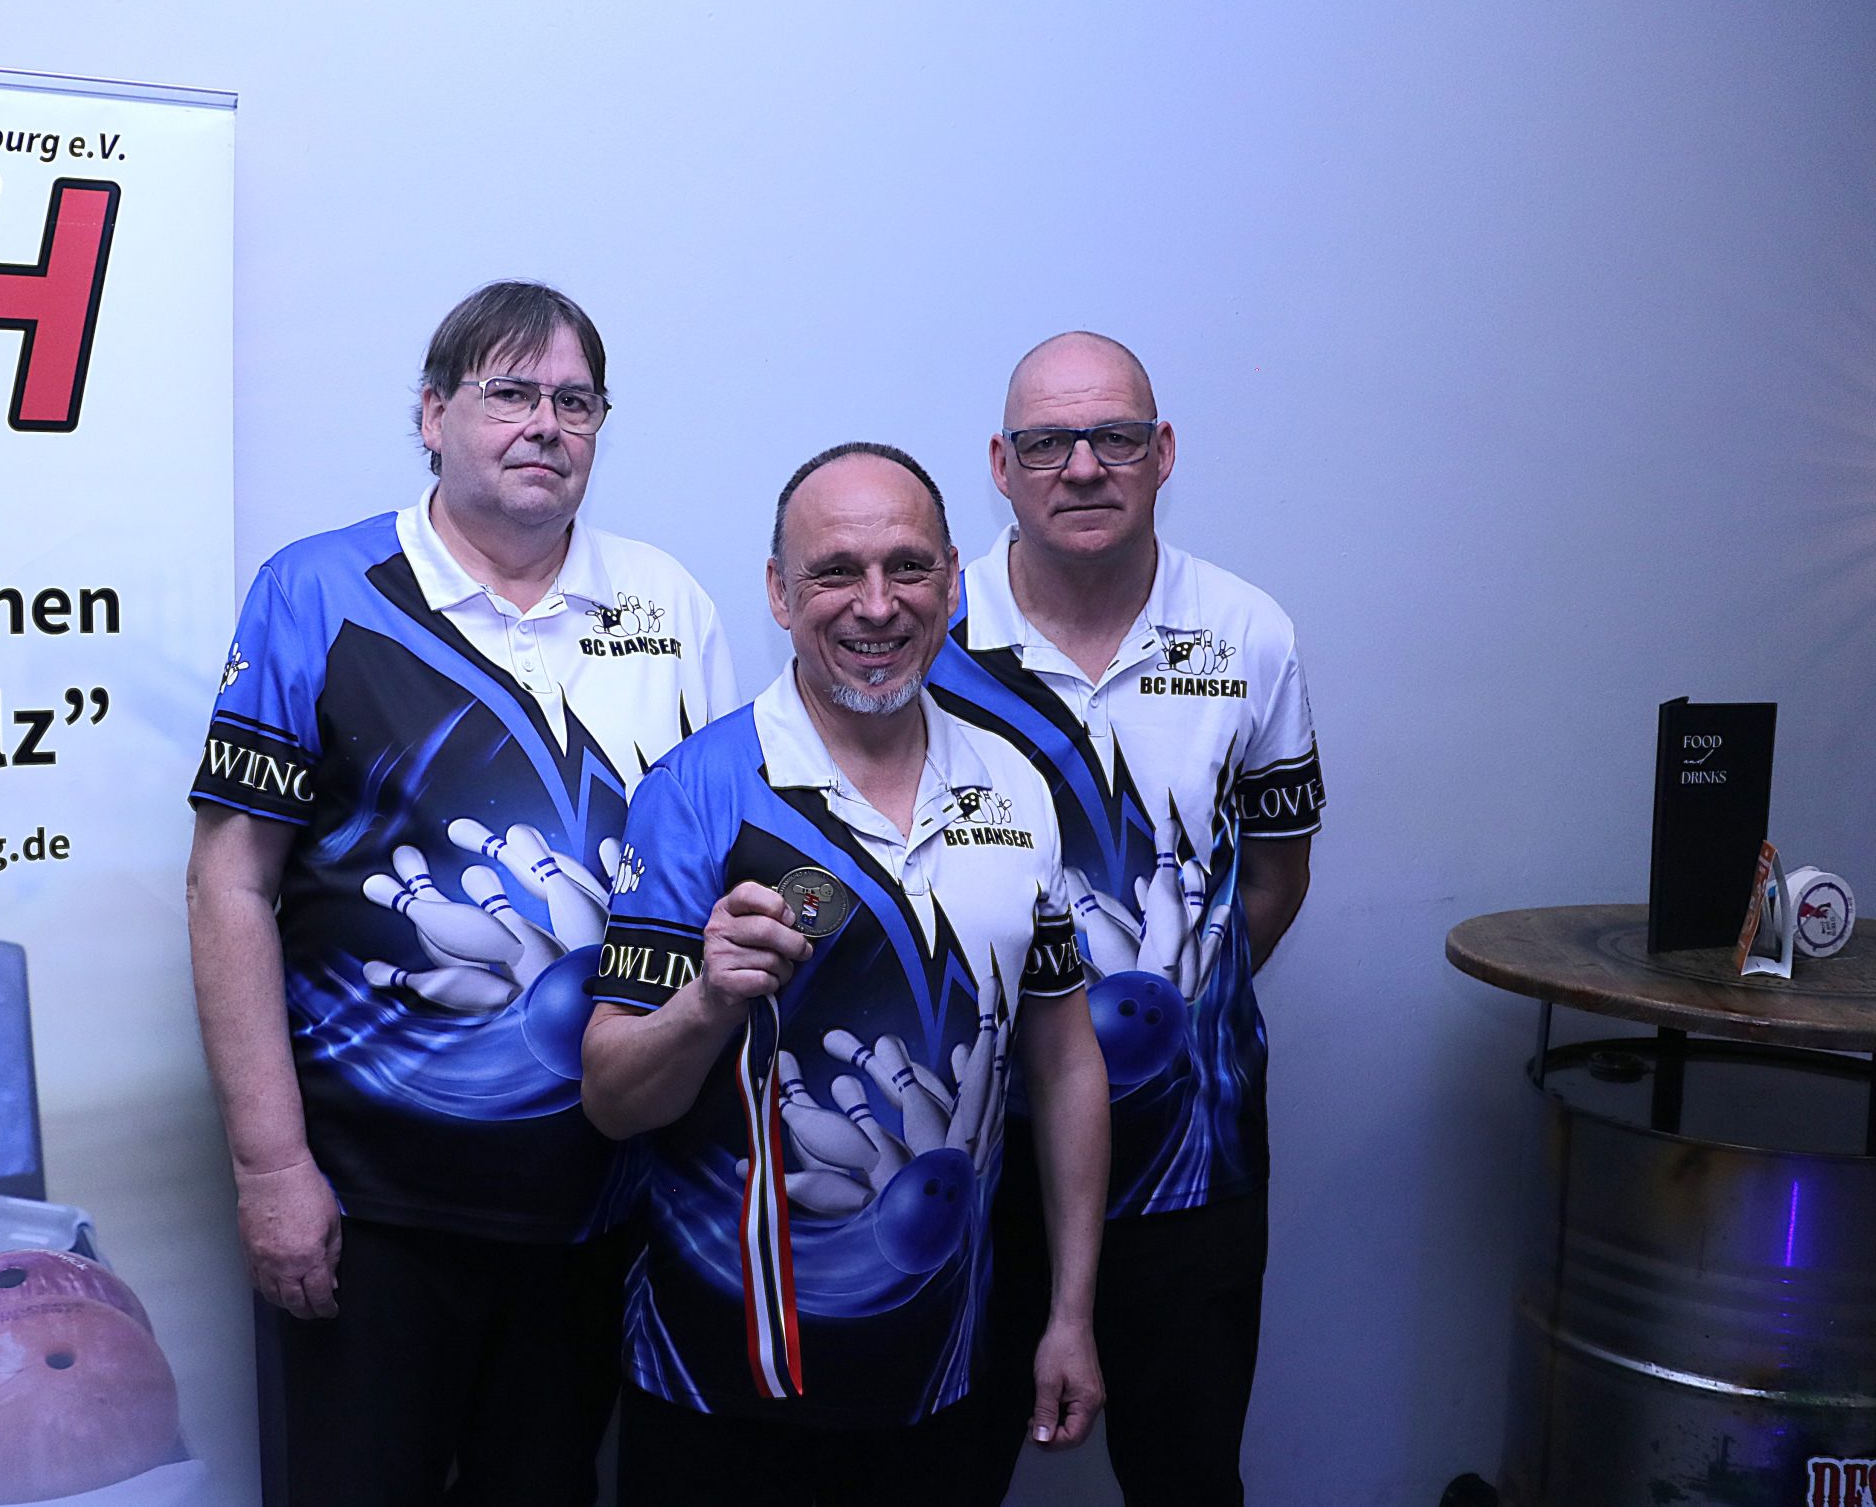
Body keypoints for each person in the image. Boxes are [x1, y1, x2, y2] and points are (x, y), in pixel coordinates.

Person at [186, 281, 738, 1506]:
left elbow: (707, 883)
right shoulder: (317, 593)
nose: (545, 425)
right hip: (368, 1209)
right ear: (432, 416)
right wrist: (271, 1170)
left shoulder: (667, 602)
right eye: (509, 393)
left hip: (599, 1207)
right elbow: (229, 881)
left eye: (575, 402)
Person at [581, 443, 1111, 1506]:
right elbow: (611, 1097)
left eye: (907, 567)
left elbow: (1064, 1066)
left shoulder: (1015, 784)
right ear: (780, 594)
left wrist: (1070, 1315)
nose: (876, 605)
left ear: (951, 582)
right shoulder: (697, 793)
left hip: (944, 1376)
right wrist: (708, 998)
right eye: (835, 573)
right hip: (716, 1384)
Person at [934, 331, 1323, 1507]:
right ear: (999, 465)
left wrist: (1177, 1006)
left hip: (1190, 1160)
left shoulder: (1247, 631)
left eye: (1113, 437)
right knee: (936, 1478)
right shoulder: (925, 630)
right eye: (1048, 443)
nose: (1082, 467)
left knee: (1188, 1478)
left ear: (1161, 453)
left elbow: (1275, 877)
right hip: (973, 1160)